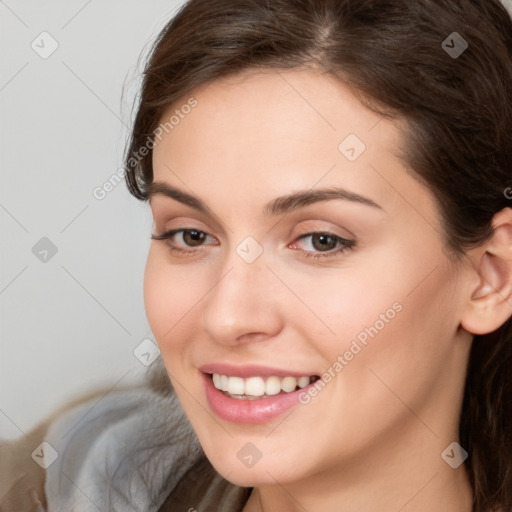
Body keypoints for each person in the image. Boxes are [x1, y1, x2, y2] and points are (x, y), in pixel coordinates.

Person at [1, 0, 512, 511]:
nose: (227, 318)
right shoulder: (77, 475)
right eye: (191, 235)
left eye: (321, 240)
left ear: (492, 276)